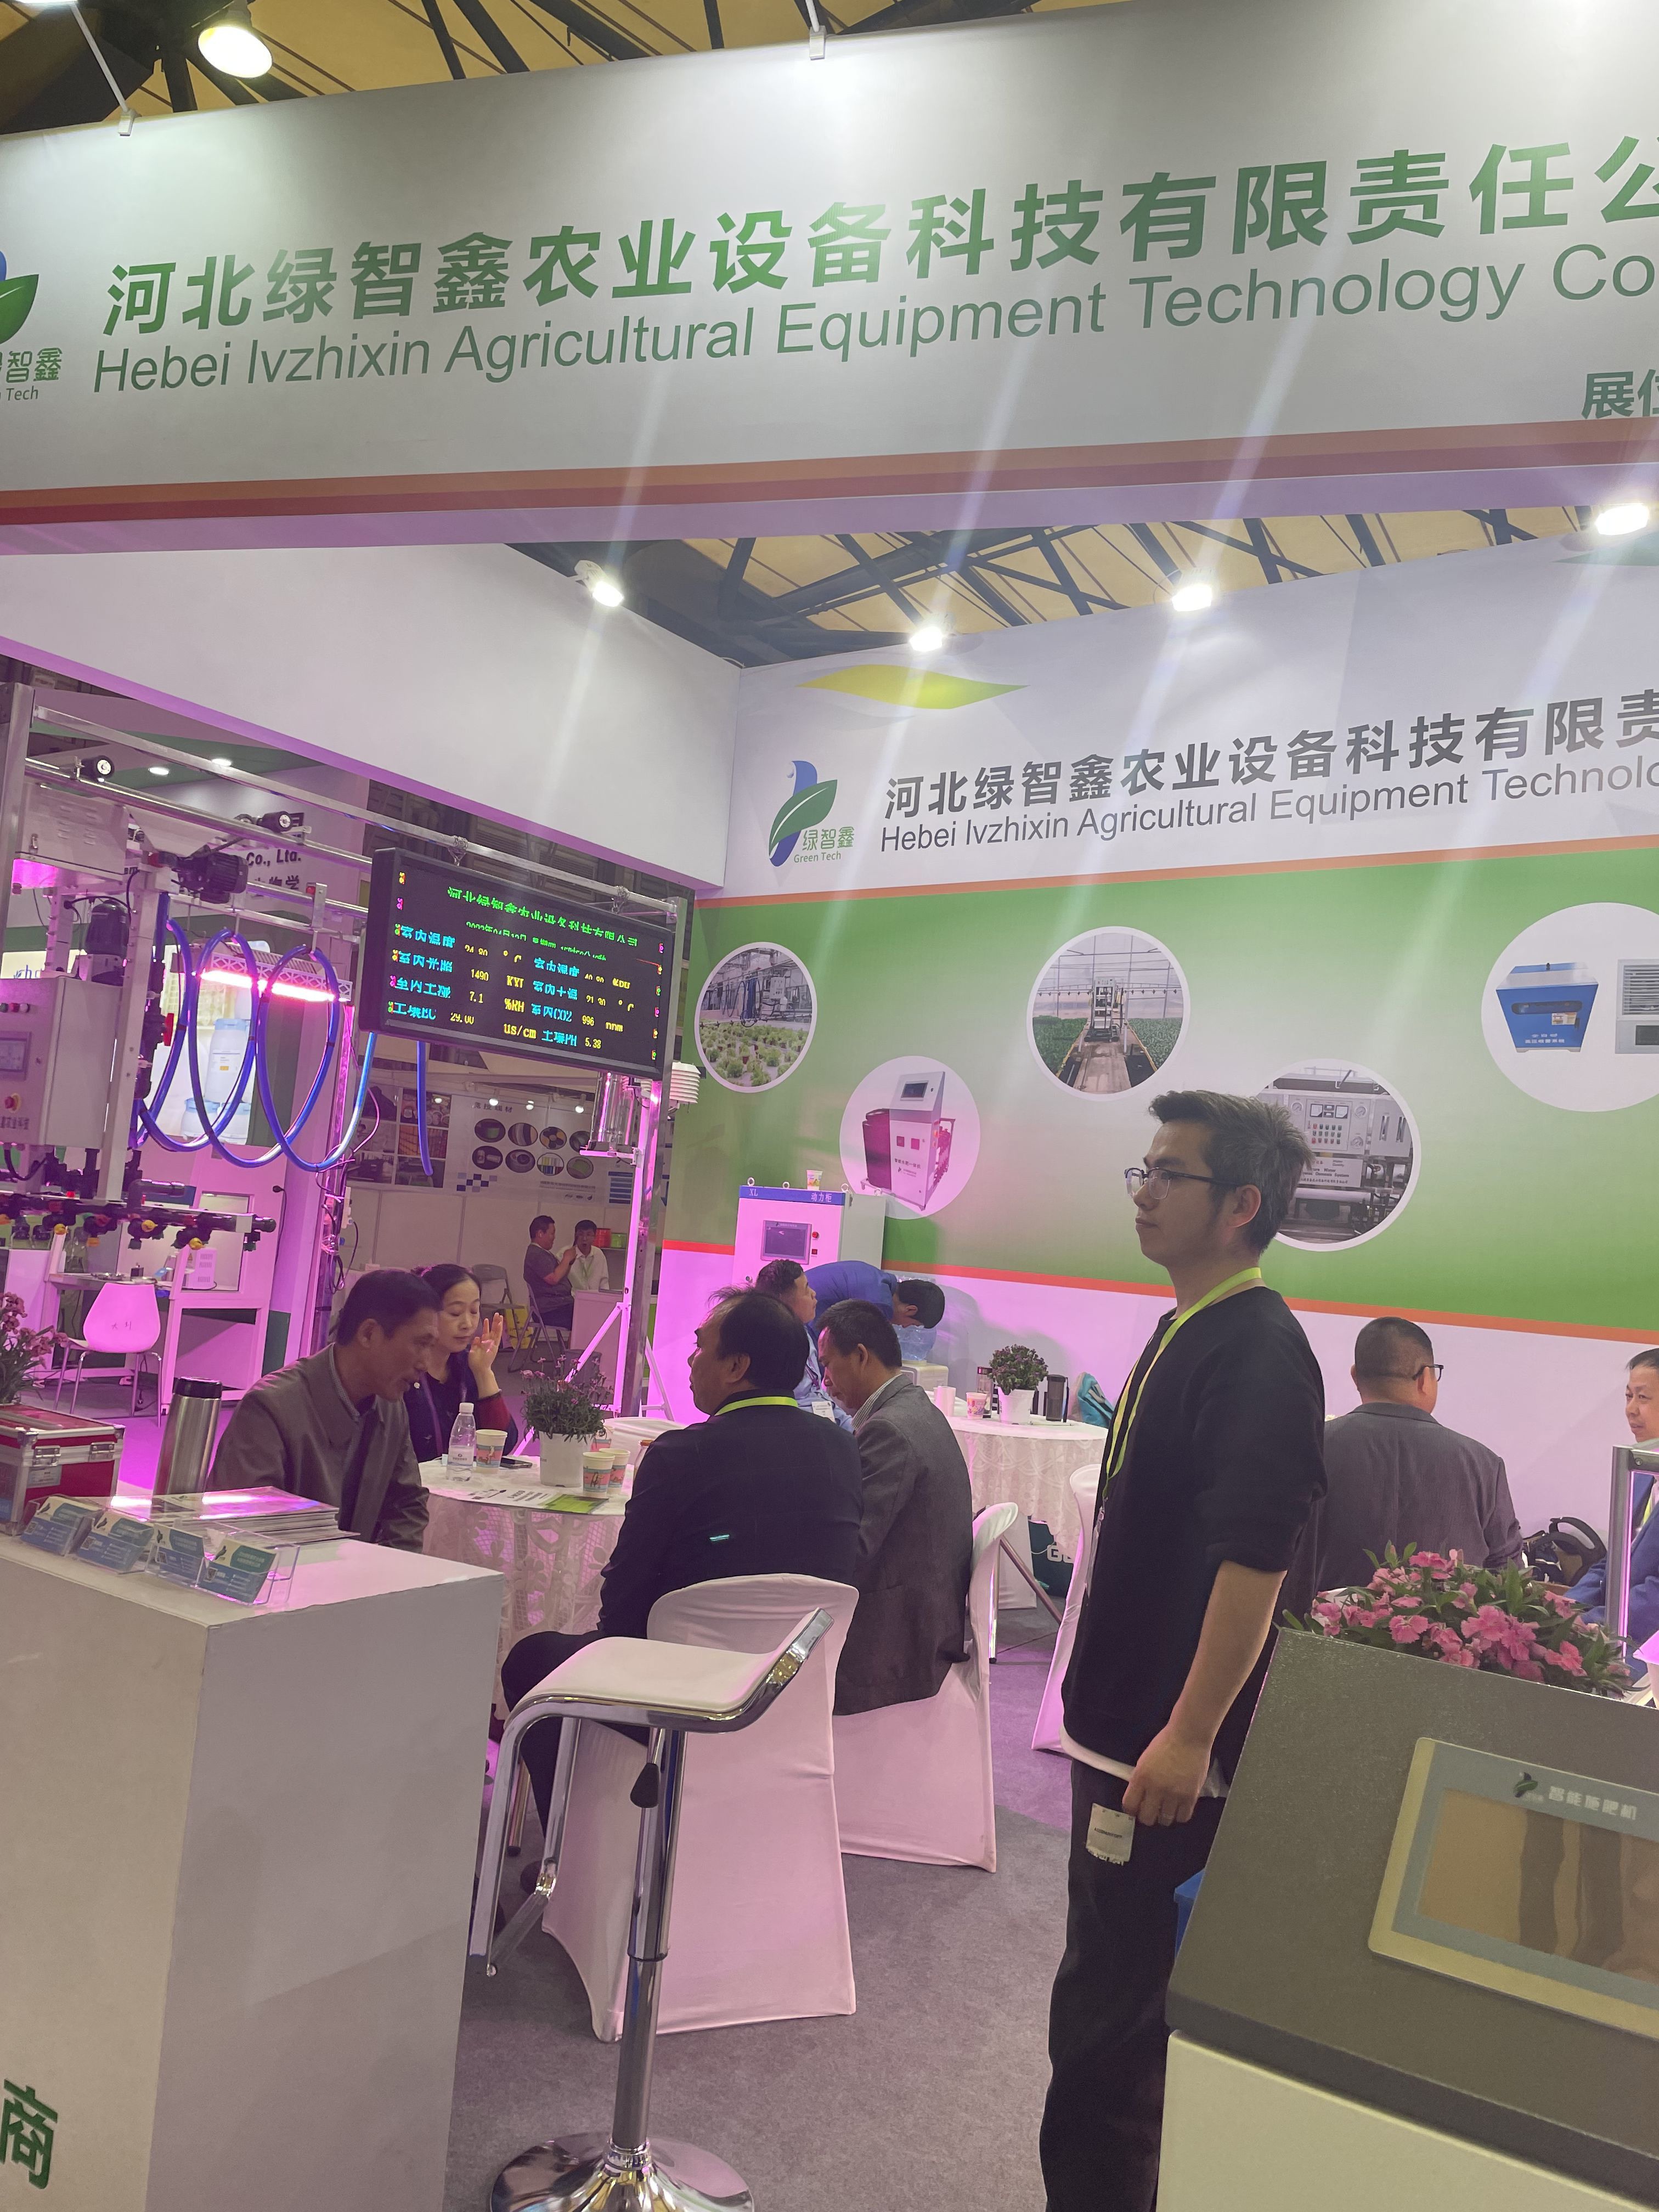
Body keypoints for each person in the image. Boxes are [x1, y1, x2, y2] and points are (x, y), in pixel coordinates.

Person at [1042, 1091, 1327, 2212]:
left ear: (1241, 1204)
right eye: (1143, 1169)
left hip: (1157, 1752)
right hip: (1120, 1729)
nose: (1145, 1191)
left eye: (1171, 1173)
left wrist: (1190, 1732)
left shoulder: (1258, 1351)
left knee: (1112, 2039)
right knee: (1097, 2004)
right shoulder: (1189, 1325)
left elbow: (1254, 1562)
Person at [499, 1289, 862, 1829]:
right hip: (793, 1685)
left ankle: (574, 1847)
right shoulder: (842, 1448)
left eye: (701, 1347)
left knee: (532, 1659)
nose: (691, 1361)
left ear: (736, 1367)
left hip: (680, 1693)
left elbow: (623, 1603)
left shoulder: (681, 1454)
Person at [816, 1297, 973, 1717]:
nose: (824, 1381)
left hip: (897, 1637)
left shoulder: (889, 1430)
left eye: (828, 1365)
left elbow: (853, 1552)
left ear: (861, 1356)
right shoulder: (913, 1407)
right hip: (928, 1615)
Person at [208, 1269, 439, 1550]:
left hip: (353, 1571)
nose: (425, 1363)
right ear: (369, 1334)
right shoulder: (271, 1407)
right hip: (285, 1572)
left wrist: (392, 1569)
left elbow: (407, 1504)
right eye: (420, 1344)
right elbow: (243, 1529)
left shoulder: (390, 1406)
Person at [1314, 1317, 1521, 1591]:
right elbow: (1508, 1577)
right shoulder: (1483, 1465)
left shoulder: (1312, 1447)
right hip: (1446, 1619)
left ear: (1356, 1377)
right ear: (1425, 1378)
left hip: (1315, 1619)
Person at [1571, 1348, 1659, 1654]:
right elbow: (1614, 1562)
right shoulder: (1640, 1471)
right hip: (1614, 1635)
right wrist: (1565, 1607)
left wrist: (1597, 1621)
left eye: (1643, 1398)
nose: (1631, 1410)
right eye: (1628, 1396)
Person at [403, 1263, 520, 1464]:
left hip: (451, 1478)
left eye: (474, 1311)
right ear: (425, 1313)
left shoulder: (467, 1364)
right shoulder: (403, 1371)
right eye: (456, 1313)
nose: (468, 1324)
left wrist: (484, 1372)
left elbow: (503, 1445)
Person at [753, 1255, 846, 1423]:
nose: (813, 1293)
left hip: (820, 1416)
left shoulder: (803, 1332)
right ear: (783, 1303)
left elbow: (817, 1394)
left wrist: (849, 1424)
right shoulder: (773, 1348)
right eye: (806, 1289)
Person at [802, 1258, 944, 1348]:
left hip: (799, 1307)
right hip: (804, 1319)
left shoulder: (878, 1278)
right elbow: (858, 1349)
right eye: (913, 1324)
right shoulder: (880, 1305)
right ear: (910, 1310)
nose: (905, 1326)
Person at [522, 1214, 574, 1338]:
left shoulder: (543, 1253)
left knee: (587, 1311)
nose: (554, 1237)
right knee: (587, 1315)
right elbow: (553, 1279)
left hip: (558, 1305)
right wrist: (566, 1259)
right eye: (552, 1233)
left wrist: (569, 1263)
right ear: (540, 1234)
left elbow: (560, 1276)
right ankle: (578, 1349)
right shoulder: (536, 1254)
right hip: (549, 1310)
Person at [565, 1218, 611, 1296]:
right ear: (575, 1236)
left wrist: (605, 1299)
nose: (584, 1239)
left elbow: (604, 1282)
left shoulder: (599, 1254)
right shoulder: (565, 1254)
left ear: (595, 1237)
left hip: (594, 1299)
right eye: (581, 1234)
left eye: (589, 1235)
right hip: (571, 1299)